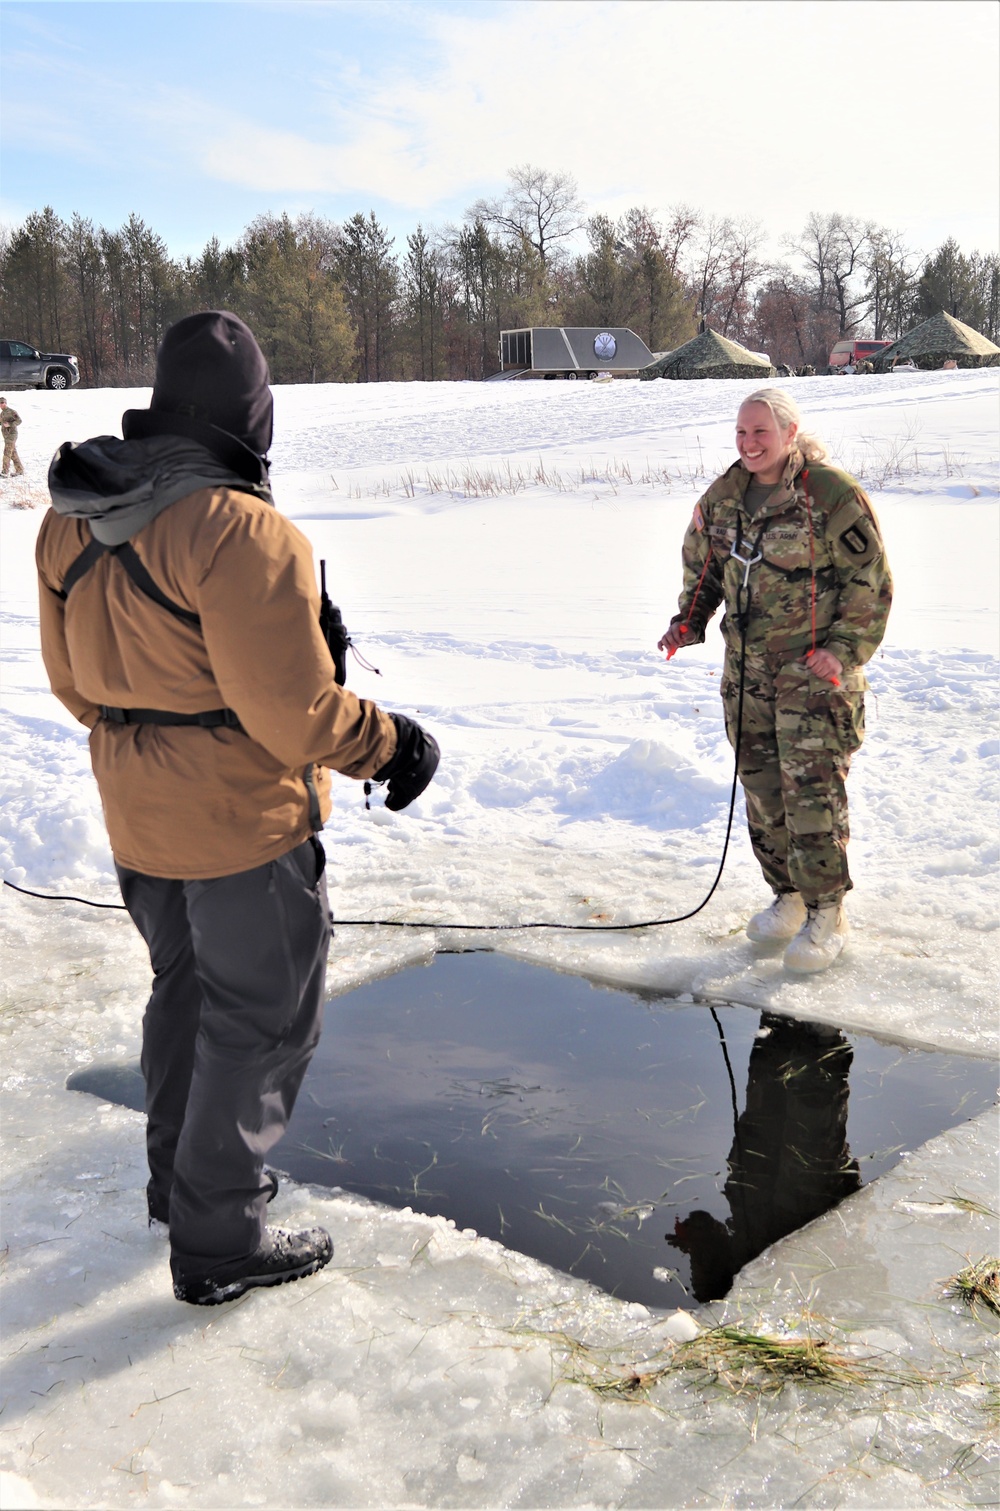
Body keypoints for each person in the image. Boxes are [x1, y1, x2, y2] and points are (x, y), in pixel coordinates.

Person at [36, 311, 439, 1305]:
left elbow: (74, 686)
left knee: (185, 991)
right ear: (252, 416)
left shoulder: (68, 516)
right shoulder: (242, 530)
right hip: (242, 826)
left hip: (136, 811)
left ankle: (183, 1188)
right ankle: (219, 1237)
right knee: (259, 1020)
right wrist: (392, 743)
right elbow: (296, 715)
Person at [658, 388, 892, 973]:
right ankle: (788, 897)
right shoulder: (724, 497)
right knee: (763, 793)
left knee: (811, 795)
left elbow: (871, 580)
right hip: (748, 677)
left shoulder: (828, 493)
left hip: (813, 676)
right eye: (741, 432)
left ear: (790, 433)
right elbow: (704, 569)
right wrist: (685, 625)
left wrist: (843, 651)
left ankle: (827, 911)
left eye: (761, 432)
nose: (749, 443)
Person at [1, 396, 25, 476]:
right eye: (0, 403)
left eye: (2, 403)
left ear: (6, 403)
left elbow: (19, 421)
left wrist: (10, 424)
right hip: (6, 435)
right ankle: (20, 470)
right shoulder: (2, 413)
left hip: (12, 435)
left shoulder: (11, 411)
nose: (1, 405)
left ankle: (5, 472)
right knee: (13, 453)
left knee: (7, 452)